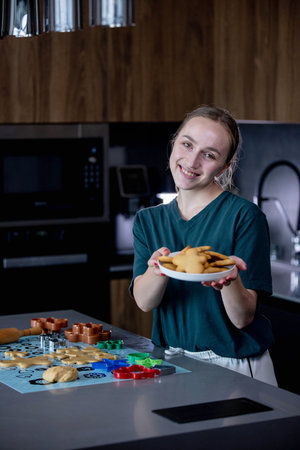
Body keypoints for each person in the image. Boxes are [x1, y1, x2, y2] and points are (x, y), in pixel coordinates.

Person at [130, 105, 277, 386]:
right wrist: (157, 268)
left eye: (209, 155)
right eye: (187, 144)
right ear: (174, 143)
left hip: (234, 365)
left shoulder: (245, 217)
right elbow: (145, 302)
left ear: (224, 167)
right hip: (172, 361)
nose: (192, 161)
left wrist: (231, 279)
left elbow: (243, 319)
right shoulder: (148, 220)